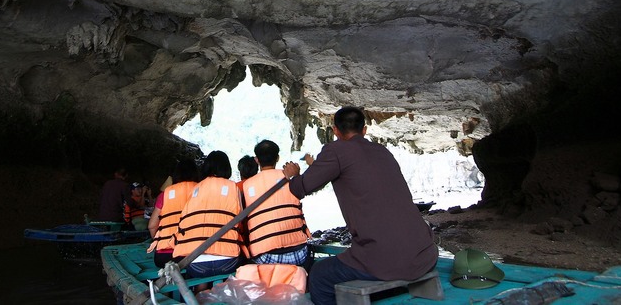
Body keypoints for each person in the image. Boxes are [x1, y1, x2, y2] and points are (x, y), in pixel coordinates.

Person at [282, 106, 438, 305]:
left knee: (320, 274)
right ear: (364, 130)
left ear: (335, 131)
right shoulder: (382, 151)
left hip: (389, 261)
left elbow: (302, 187)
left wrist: (292, 175)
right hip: (425, 254)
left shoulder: (336, 150)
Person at [172, 151, 247, 281]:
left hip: (194, 264)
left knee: (201, 274)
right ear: (227, 168)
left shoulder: (195, 189)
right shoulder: (233, 187)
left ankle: (200, 291)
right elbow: (240, 221)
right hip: (227, 263)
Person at [242, 139, 312, 270]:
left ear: (256, 160)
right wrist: (297, 175)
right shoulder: (290, 178)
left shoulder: (246, 185)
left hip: (266, 257)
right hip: (298, 254)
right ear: (278, 158)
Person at [147, 158, 200, 268]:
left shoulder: (165, 194)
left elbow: (152, 226)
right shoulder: (202, 190)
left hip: (164, 256)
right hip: (194, 255)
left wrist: (159, 242)